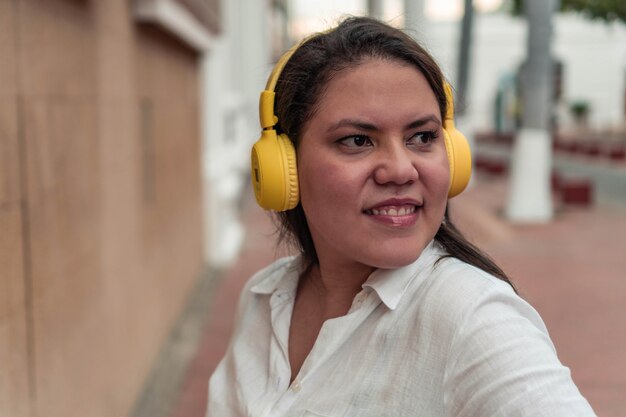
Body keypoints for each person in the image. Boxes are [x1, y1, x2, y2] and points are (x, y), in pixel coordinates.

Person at [207, 16, 596, 417]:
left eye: (422, 137)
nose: (401, 169)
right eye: (357, 140)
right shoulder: (264, 298)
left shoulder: (474, 319)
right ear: (281, 167)